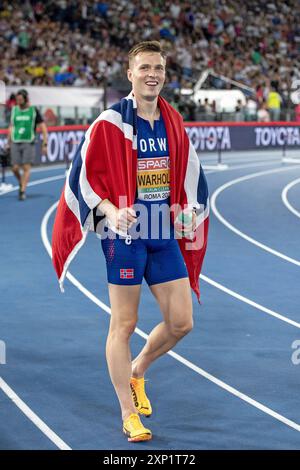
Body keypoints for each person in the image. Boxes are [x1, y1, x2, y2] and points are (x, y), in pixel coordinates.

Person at [52, 41, 209, 442]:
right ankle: (127, 413)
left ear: (165, 74)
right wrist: (108, 210)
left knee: (181, 322)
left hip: (161, 231)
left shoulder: (173, 122)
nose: (152, 73)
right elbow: (80, 176)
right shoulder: (110, 121)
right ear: (130, 74)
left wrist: (188, 211)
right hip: (124, 234)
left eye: (158, 67)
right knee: (124, 323)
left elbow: (191, 178)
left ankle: (138, 371)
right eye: (144, 68)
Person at [7, 89, 48, 200]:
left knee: (26, 167)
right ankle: (22, 182)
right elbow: (11, 126)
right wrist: (8, 142)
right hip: (15, 141)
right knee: (14, 168)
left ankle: (22, 190)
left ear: (26, 99)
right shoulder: (14, 110)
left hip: (28, 142)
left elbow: (43, 127)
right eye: (17, 99)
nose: (18, 101)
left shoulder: (33, 110)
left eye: (20, 99)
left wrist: (45, 143)